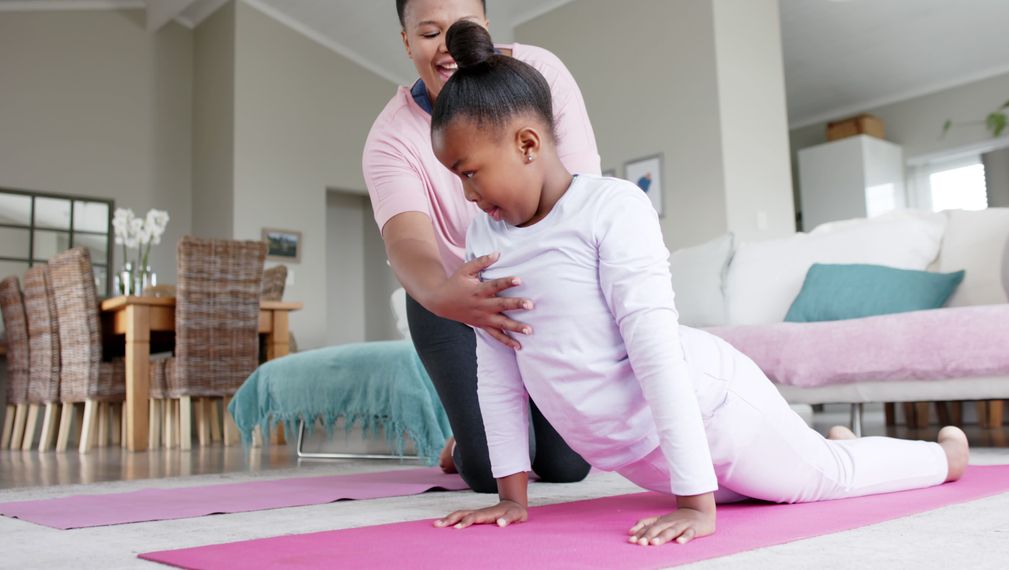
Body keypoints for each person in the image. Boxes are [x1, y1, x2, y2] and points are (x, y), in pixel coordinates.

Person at [429, 20, 971, 546]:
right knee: (772, 483)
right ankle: (817, 445)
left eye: (469, 171)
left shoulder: (611, 208)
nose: (467, 194)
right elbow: (498, 368)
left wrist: (695, 502)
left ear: (527, 144)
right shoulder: (485, 235)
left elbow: (656, 353)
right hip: (648, 455)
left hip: (714, 412)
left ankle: (944, 457)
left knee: (825, 480)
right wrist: (511, 497)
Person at [362, 0, 597, 492]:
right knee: (492, 472)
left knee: (568, 466)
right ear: (406, 42)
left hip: (541, 282)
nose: (447, 46)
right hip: (452, 298)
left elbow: (579, 195)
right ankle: (465, 440)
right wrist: (444, 294)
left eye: (461, 27)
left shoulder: (541, 76)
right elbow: (407, 239)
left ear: (486, 26)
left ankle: (523, 407)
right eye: (428, 33)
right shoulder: (390, 139)